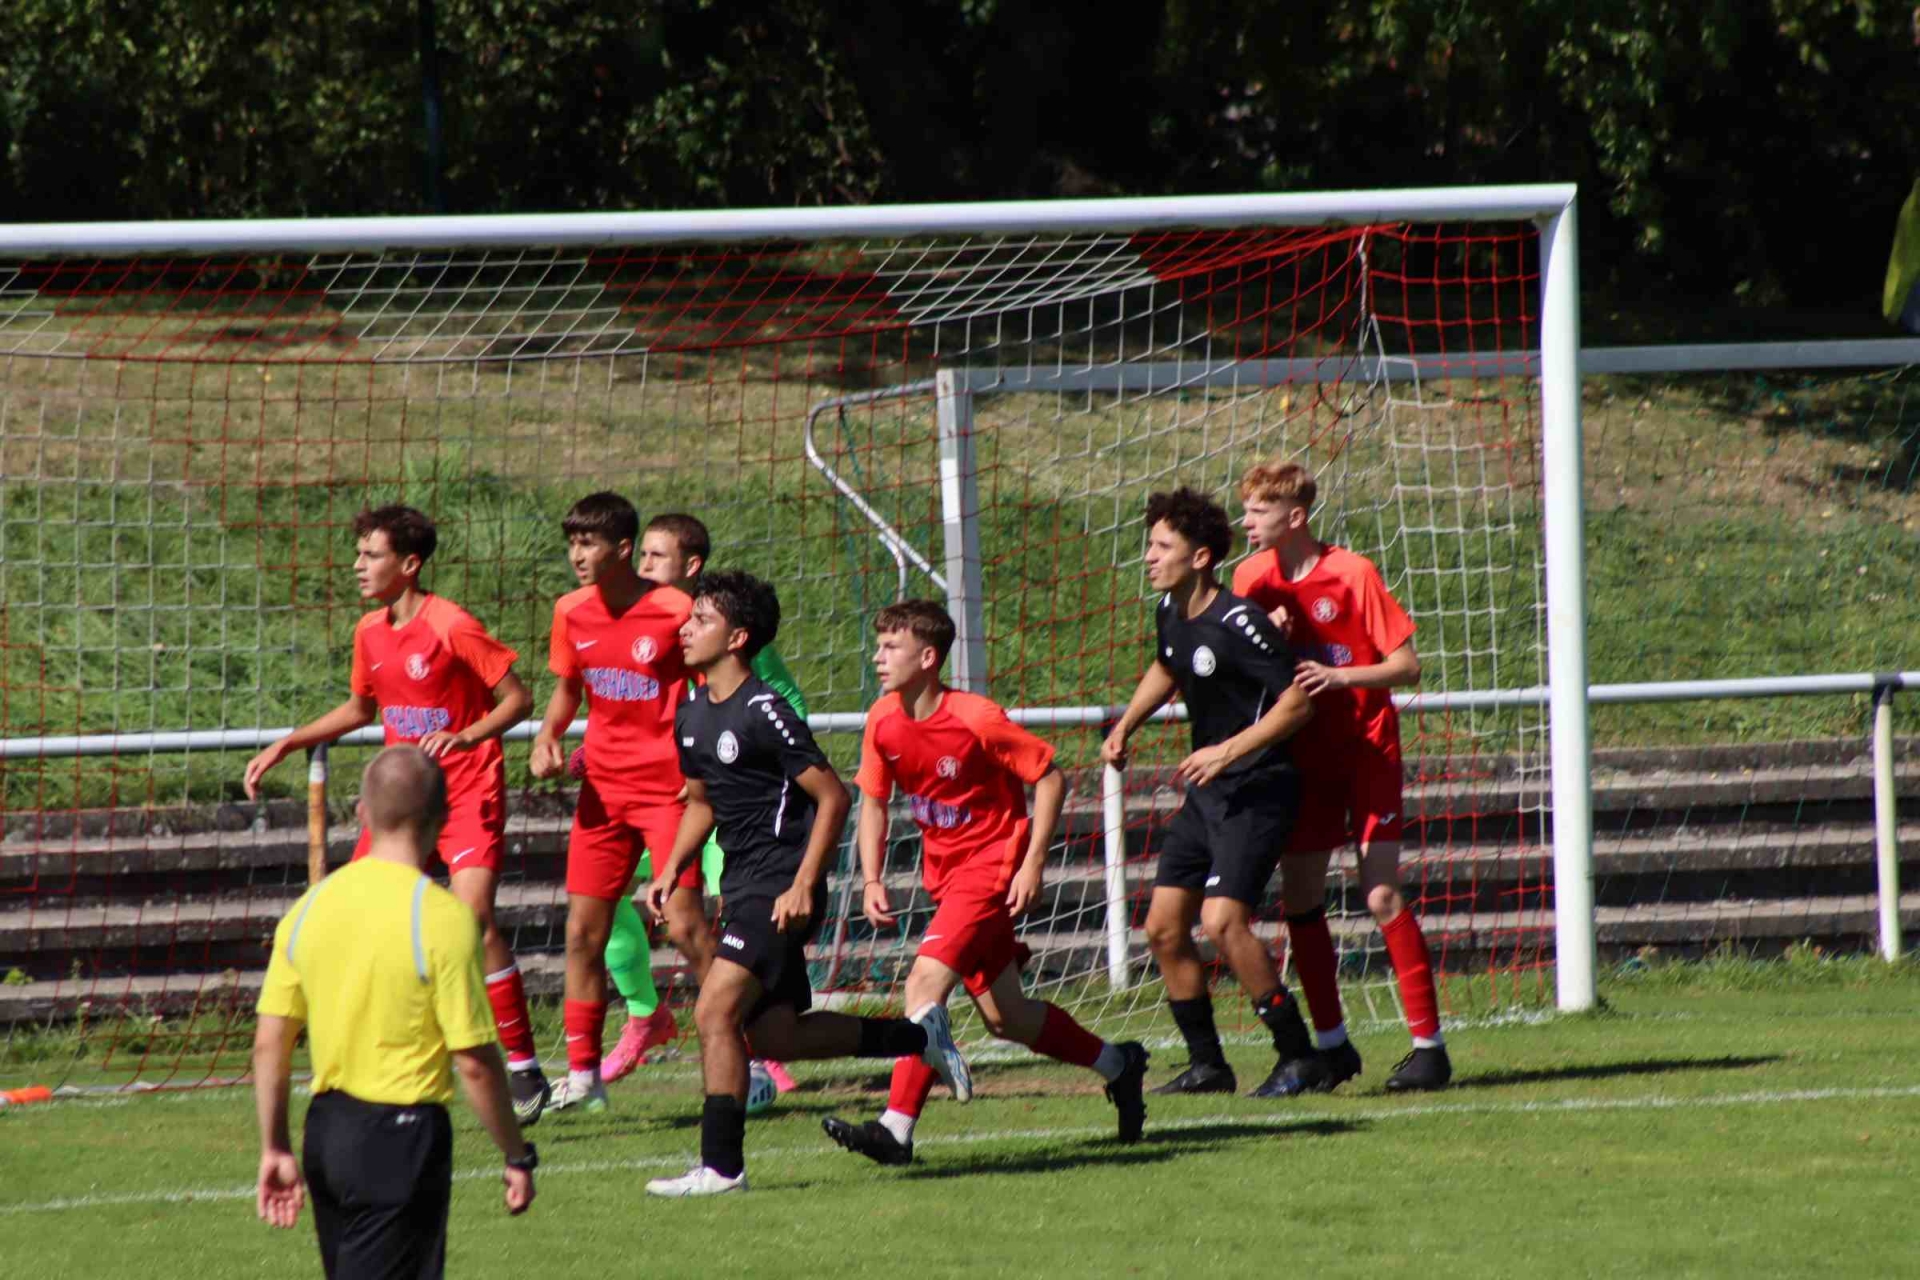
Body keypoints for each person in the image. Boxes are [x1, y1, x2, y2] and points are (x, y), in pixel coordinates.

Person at [641, 572, 969, 1197]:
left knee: (714, 1011)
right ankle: (917, 1037)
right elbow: (703, 802)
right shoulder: (690, 711)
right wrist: (671, 870)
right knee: (775, 1035)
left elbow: (833, 796)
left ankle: (721, 1168)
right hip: (743, 884)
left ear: (737, 638)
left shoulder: (764, 709)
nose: (685, 629)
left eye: (701, 619)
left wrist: (802, 883)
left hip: (779, 886)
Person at [242, 505, 549, 1123]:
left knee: (473, 920)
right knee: (358, 913)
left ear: (409, 565)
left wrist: (467, 736)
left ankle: (521, 1065)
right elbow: (361, 709)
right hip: (404, 802)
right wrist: (289, 742)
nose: (358, 566)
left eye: (371, 555)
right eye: (358, 554)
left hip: (466, 791)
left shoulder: (452, 625)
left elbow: (518, 698)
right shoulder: (369, 632)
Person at [821, 600, 1150, 1166]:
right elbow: (872, 800)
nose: (878, 657)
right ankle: (1119, 1064)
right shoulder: (882, 719)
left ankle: (895, 1129)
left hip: (989, 870)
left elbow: (1050, 777)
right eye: (878, 646)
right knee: (1007, 1018)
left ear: (928, 658)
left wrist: (1032, 862)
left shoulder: (975, 717)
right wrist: (871, 877)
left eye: (891, 647)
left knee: (924, 985)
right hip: (945, 879)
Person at [253, 746, 536, 1278]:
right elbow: (474, 1061)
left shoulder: (308, 908)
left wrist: (275, 1146)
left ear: (363, 812)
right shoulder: (442, 918)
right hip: (400, 1138)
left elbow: (271, 1042)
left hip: (326, 1133)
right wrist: (515, 1152)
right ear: (443, 818)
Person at [1233, 460, 1447, 1092]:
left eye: (1258, 511)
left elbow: (1406, 666)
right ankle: (1331, 1047)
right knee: (1299, 899)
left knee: (1380, 894)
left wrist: (1341, 676)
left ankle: (1429, 1049)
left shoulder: (1353, 573)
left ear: (1295, 517)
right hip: (1302, 757)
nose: (1246, 521)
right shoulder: (1249, 579)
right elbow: (1244, 667)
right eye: (1246, 509)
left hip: (1366, 751)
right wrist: (1263, 639)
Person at [1103, 486, 1321, 1098]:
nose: (1149, 557)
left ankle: (1299, 1057)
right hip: (1208, 794)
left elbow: (1298, 704)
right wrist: (1126, 725)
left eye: (1162, 547)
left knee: (1223, 922)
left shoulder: (1240, 622)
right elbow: (1168, 664)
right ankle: (1208, 1066)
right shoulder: (1170, 612)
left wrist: (1227, 751)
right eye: (1149, 545)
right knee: (1163, 929)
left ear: (1200, 558)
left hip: (1257, 787)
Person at [596, 512, 812, 1091]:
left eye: (656, 557)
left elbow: (784, 705)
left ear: (690, 567)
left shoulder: (726, 633)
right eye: (641, 555)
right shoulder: (637, 625)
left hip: (720, 806)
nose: (642, 566)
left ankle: (749, 1035)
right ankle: (645, 1015)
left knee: (708, 915)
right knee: (603, 901)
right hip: (651, 793)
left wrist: (739, 767)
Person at [528, 492, 693, 1113]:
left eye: (588, 543)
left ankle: (748, 1049)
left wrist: (702, 770)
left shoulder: (677, 611)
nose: (576, 555)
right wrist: (548, 736)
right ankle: (582, 1074)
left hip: (668, 792)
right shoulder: (570, 611)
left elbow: (713, 688)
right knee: (581, 934)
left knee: (684, 925)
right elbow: (568, 688)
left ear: (623, 550)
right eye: (572, 543)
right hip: (602, 792)